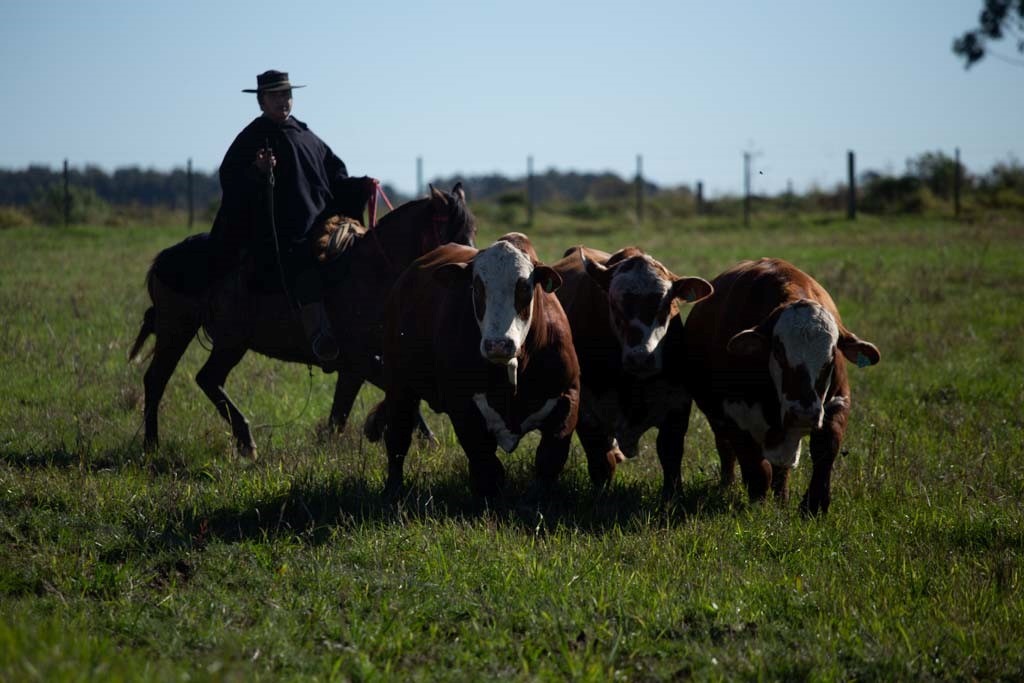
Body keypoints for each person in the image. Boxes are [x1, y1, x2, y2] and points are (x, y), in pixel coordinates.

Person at [210, 69, 368, 363]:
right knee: (304, 263)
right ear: (261, 101)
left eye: (286, 94)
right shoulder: (252, 138)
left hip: (319, 224)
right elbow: (230, 181)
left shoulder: (305, 134)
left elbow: (335, 175)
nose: (283, 100)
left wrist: (362, 186)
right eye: (275, 95)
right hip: (276, 234)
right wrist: (257, 173)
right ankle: (319, 335)